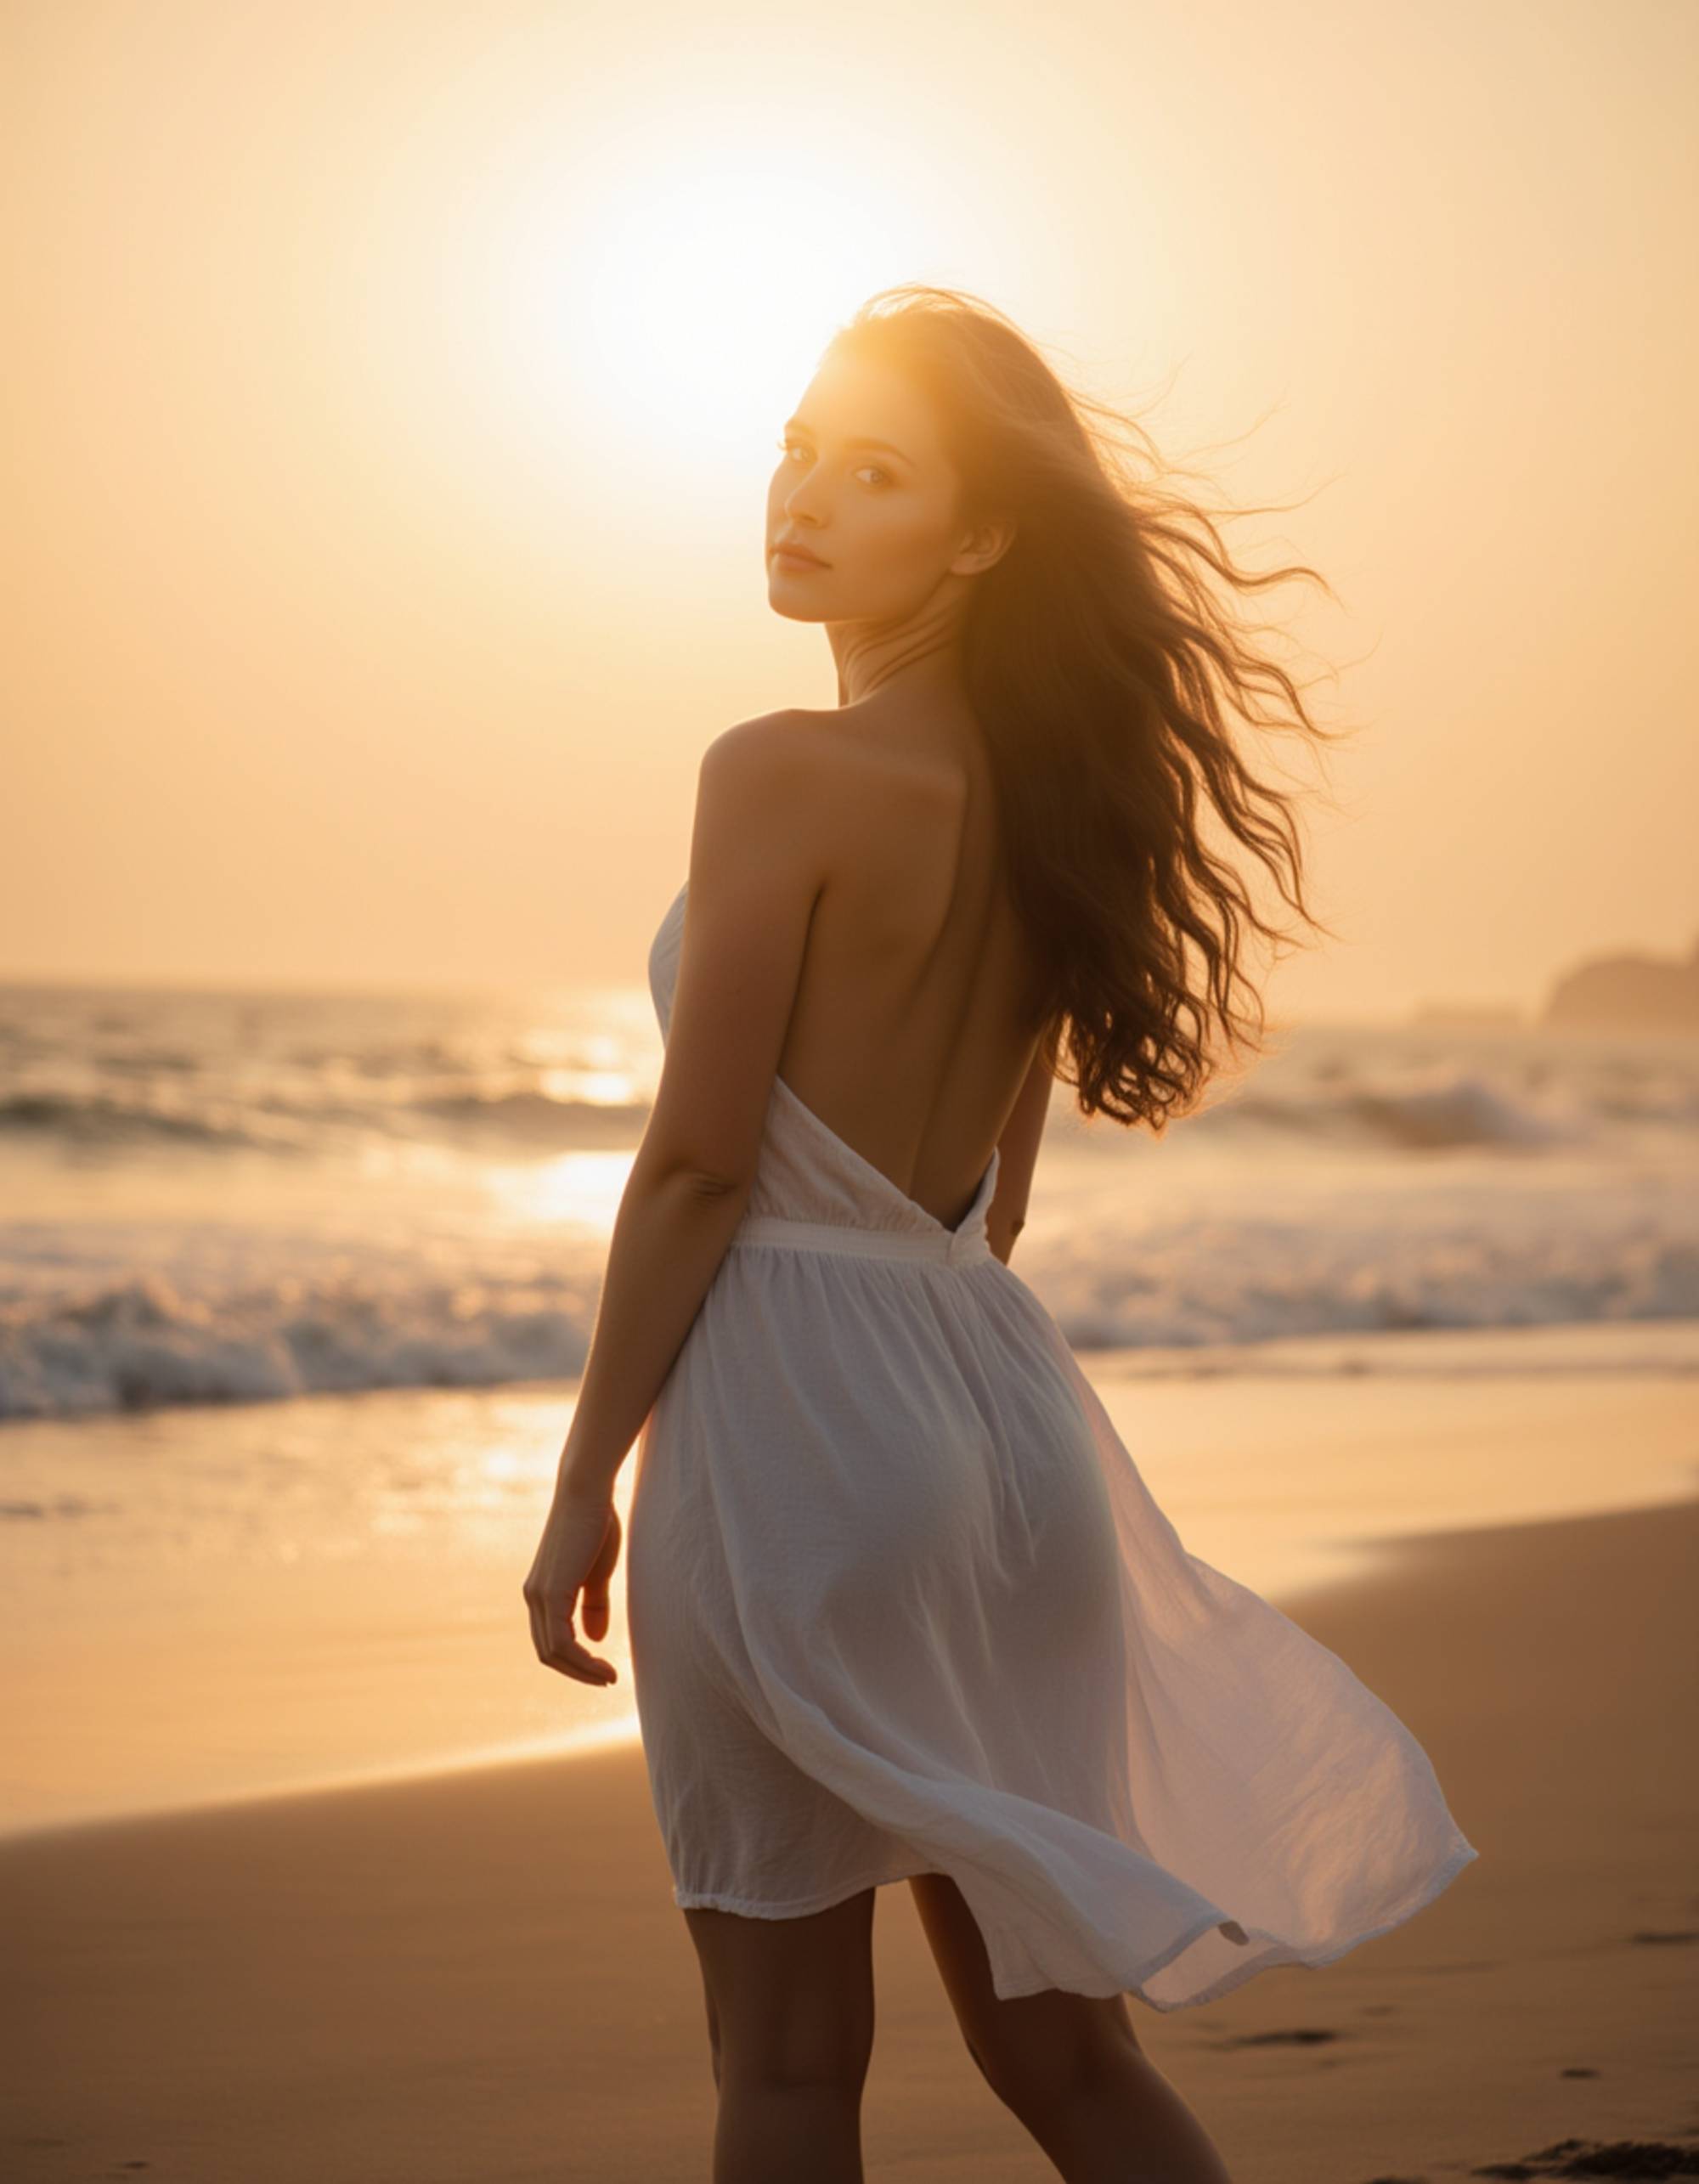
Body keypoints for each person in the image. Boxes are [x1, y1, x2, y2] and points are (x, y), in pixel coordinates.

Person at [523, 285, 1477, 2183]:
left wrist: (581, 1481)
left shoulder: (778, 770)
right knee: (1066, 2059)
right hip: (1001, 1432)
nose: (801, 495)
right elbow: (994, 1200)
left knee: (787, 2063)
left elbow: (702, 1163)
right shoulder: (1061, 812)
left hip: (800, 1433)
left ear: (976, 535)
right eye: (797, 445)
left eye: (873, 471)